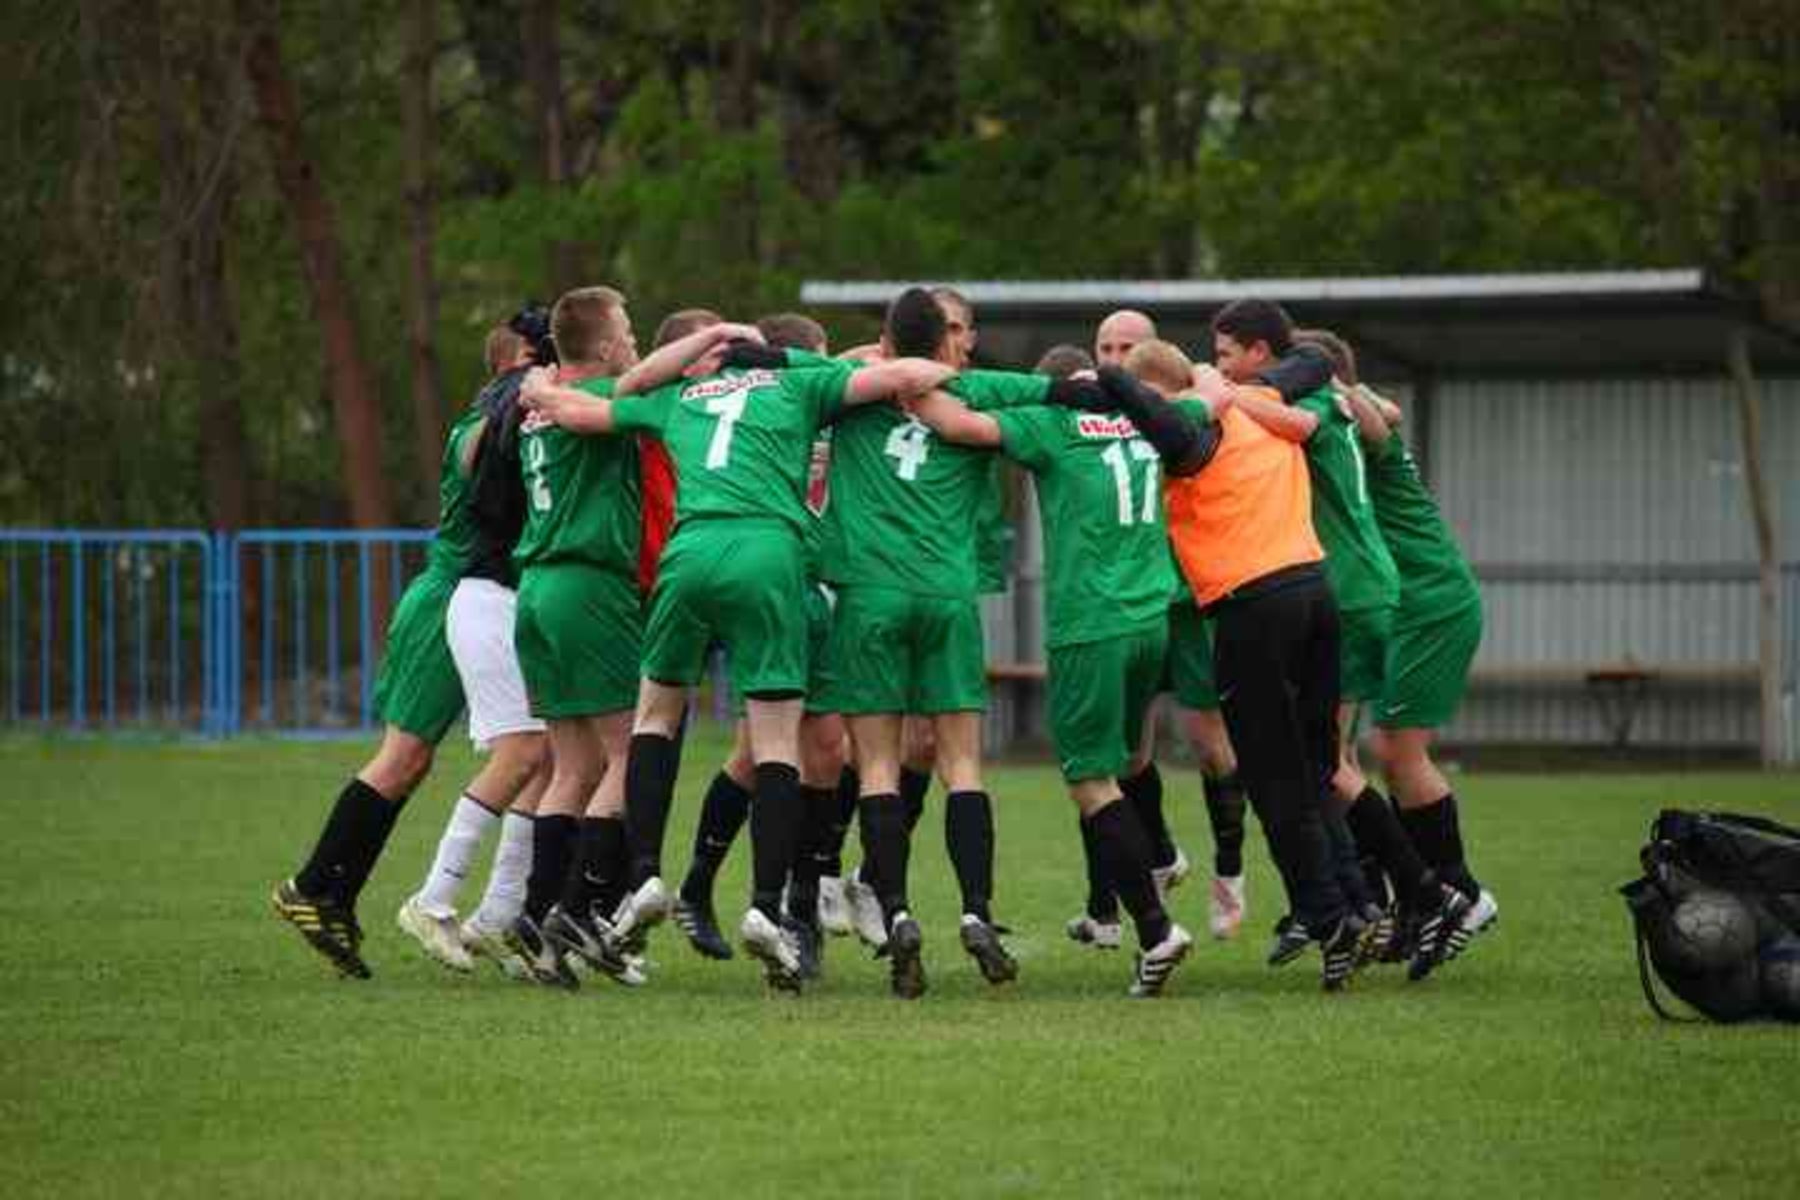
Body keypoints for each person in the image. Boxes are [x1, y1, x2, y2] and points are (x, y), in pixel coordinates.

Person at [521, 317, 954, 991]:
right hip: (770, 555)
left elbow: (590, 406)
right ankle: (764, 904)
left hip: (689, 553)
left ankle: (645, 877)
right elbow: (905, 374)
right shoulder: (795, 385)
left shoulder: (680, 396)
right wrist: (967, 375)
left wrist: (537, 385)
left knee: (654, 721)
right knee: (778, 741)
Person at [808, 288, 1100, 998]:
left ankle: (899, 911)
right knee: (963, 763)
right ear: (951, 341)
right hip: (945, 596)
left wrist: (879, 360)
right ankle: (975, 911)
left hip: (869, 595)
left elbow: (799, 368)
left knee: (876, 765)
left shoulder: (848, 393)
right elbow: (1067, 388)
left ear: (884, 339)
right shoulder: (981, 387)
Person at [908, 364, 1197, 997]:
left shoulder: (1054, 424)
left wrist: (903, 372)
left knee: (1090, 781)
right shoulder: (1146, 419)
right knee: (1122, 770)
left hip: (1092, 622)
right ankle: (1143, 885)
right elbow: (1207, 395)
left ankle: (1154, 930)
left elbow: (951, 420)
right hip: (1153, 618)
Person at [1108, 334, 1373, 989]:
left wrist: (1110, 379)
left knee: (1271, 776)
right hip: (1316, 592)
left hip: (1254, 608)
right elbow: (1315, 360)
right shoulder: (1258, 402)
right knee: (1318, 766)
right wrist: (1221, 384)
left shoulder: (1190, 435)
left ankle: (1329, 916)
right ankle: (1359, 902)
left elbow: (1156, 414)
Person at [270, 316, 525, 978]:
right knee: (402, 757)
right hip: (446, 598)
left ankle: (333, 896)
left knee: (412, 762)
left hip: (457, 596)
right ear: (513, 361)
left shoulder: (507, 415)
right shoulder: (483, 423)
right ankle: (309, 887)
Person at [1216, 302, 1466, 976]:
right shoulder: (1350, 408)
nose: (1220, 368)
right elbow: (1379, 411)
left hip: (1350, 592)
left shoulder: (1317, 409)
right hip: (1357, 589)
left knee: (1329, 767)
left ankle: (1429, 894)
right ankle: (1374, 900)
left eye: (1226, 355)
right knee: (1333, 760)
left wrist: (1219, 394)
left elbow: (1295, 415)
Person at [1296, 328, 1497, 967]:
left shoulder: (1359, 424)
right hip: (1376, 606)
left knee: (1394, 750)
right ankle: (1407, 901)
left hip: (1428, 600)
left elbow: (1381, 419)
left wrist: (1338, 387)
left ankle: (1459, 891)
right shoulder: (1326, 429)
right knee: (1339, 757)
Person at [395, 311, 552, 978]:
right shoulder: (491, 415)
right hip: (485, 598)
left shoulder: (533, 409)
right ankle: (432, 900)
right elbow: (471, 458)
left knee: (545, 758)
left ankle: (498, 914)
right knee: (521, 753)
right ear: (515, 359)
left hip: (517, 600)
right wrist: (519, 395)